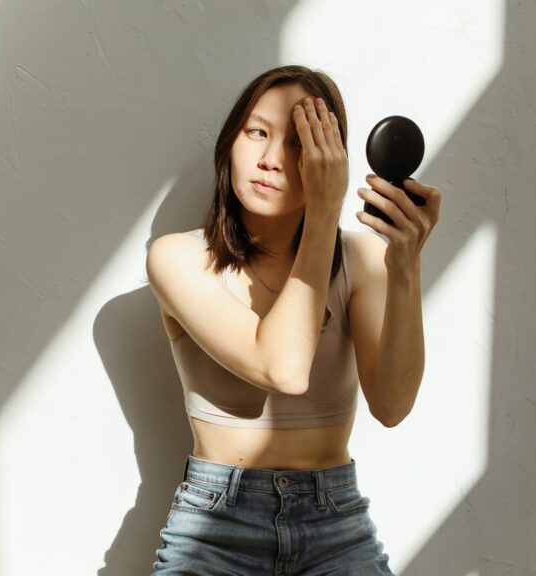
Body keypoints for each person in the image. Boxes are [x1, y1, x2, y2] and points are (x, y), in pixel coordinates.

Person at [145, 65, 441, 575]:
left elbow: (392, 406)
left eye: (300, 144)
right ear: (229, 144)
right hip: (215, 528)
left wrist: (405, 264)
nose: (270, 160)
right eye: (257, 132)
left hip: (336, 524)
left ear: (332, 159)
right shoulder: (178, 258)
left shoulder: (361, 261)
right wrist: (326, 211)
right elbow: (282, 369)